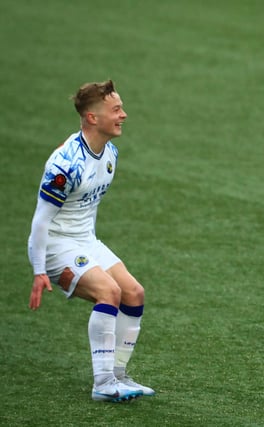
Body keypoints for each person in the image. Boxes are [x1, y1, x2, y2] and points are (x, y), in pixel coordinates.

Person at [27, 80, 155, 402]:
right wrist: (39, 270)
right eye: (115, 110)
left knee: (134, 293)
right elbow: (41, 222)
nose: (124, 115)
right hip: (57, 245)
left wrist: (92, 251)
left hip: (85, 240)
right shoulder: (64, 165)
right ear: (92, 118)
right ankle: (103, 383)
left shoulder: (109, 153)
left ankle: (120, 376)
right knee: (108, 292)